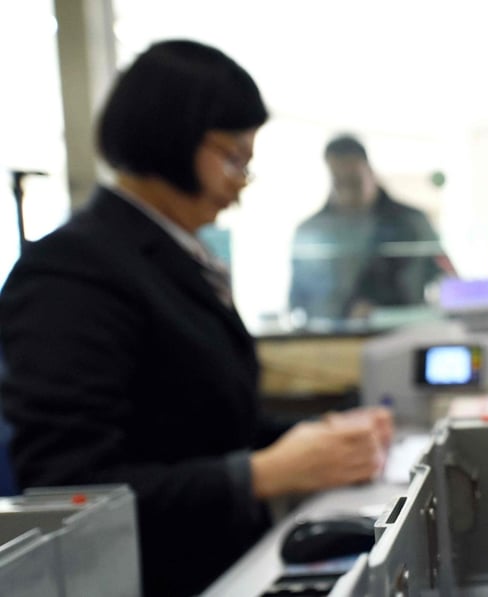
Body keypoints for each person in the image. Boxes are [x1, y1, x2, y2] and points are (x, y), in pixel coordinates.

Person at [0, 40, 392, 597]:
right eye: (234, 157)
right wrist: (265, 473)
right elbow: (71, 487)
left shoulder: (171, 256)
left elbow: (205, 425)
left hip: (228, 561)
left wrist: (315, 439)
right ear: (172, 135)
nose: (239, 183)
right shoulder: (71, 271)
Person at [289, 134, 452, 322]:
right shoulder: (311, 232)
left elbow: (446, 279)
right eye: (339, 183)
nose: (347, 192)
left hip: (402, 334)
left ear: (369, 172)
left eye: (353, 181)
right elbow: (297, 303)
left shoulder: (411, 223)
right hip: (332, 342)